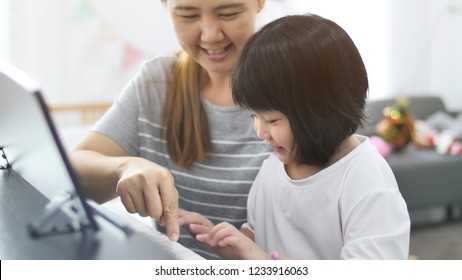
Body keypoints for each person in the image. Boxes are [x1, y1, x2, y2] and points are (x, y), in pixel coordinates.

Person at [178, 13, 411, 260]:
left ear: (321, 111)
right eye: (253, 116)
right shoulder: (272, 168)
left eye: (272, 120)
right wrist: (231, 245)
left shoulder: (364, 179)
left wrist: (268, 263)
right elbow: (259, 235)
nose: (260, 131)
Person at [70, 0, 270, 259]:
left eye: (228, 13)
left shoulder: (303, 90)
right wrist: (125, 167)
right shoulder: (157, 83)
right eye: (188, 15)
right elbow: (72, 169)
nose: (210, 35)